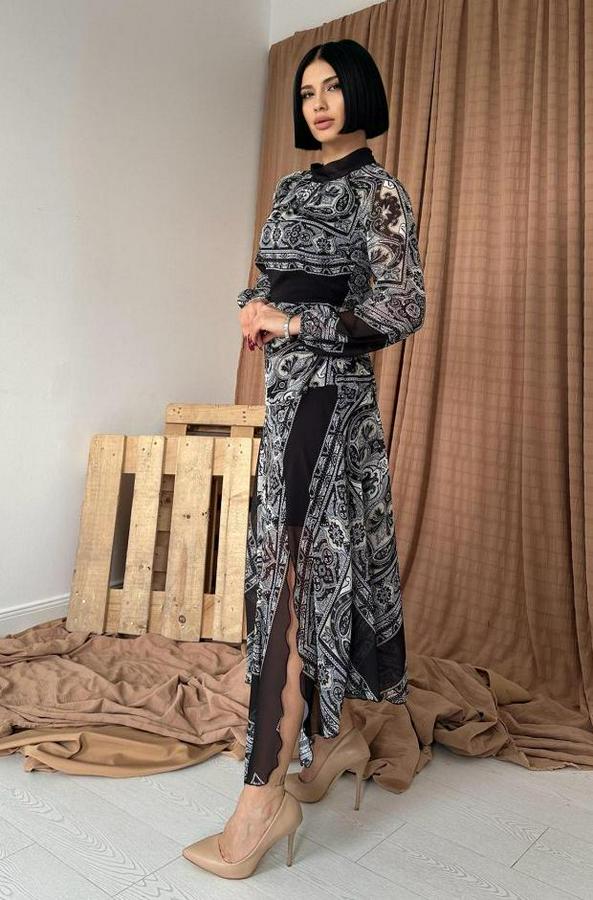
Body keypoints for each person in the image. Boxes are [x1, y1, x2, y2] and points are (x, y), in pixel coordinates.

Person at [182, 37, 426, 879]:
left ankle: (262, 797)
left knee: (286, 579)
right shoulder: (291, 187)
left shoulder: (378, 192)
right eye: (306, 91)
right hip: (285, 398)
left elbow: (400, 307)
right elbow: (272, 280)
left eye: (331, 88)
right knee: (297, 570)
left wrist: (291, 323)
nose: (317, 103)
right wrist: (252, 306)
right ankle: (338, 740)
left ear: (360, 94)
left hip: (330, 400)